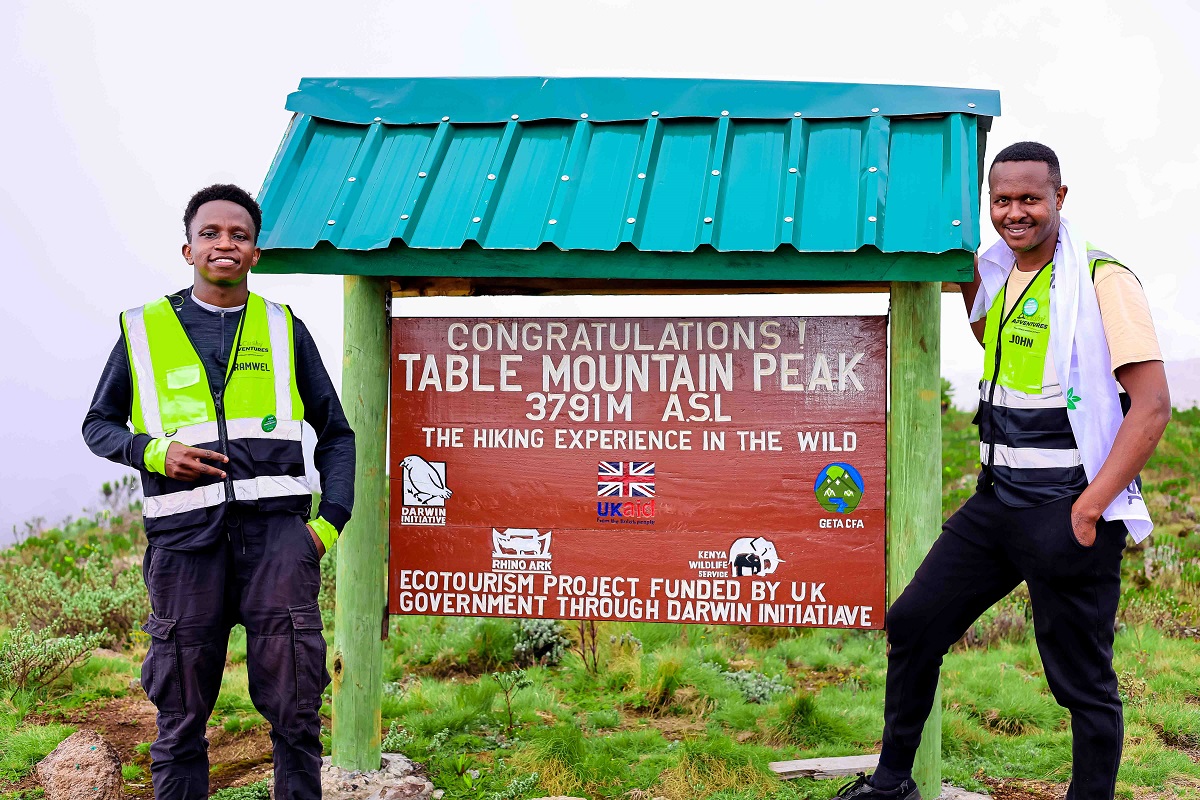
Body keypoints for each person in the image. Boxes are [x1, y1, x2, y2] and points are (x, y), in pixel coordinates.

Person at [837, 142, 1171, 800]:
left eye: (1029, 199)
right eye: (1002, 201)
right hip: (997, 505)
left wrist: (1086, 508)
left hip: (1069, 511)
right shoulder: (1005, 271)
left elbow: (1153, 406)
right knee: (913, 623)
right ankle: (891, 782)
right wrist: (964, 269)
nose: (1015, 212)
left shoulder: (1104, 279)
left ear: (1060, 199)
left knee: (1083, 682)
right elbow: (997, 338)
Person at [82, 184, 356, 800]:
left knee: (295, 714)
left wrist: (326, 525)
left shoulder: (285, 327)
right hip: (184, 549)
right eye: (211, 234)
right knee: (179, 721)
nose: (224, 244)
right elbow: (97, 426)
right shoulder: (143, 329)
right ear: (188, 249)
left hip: (280, 547)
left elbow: (336, 434)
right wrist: (156, 452)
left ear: (256, 252)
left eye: (239, 235)